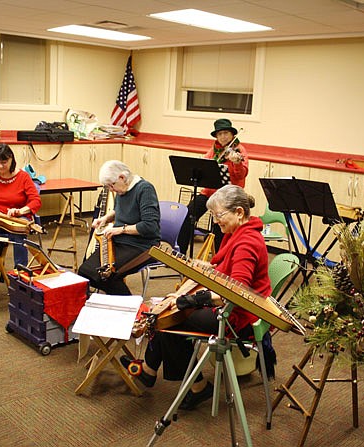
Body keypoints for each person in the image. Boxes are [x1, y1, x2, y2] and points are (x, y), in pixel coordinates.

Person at [122, 185, 273, 410]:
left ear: (239, 212)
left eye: (219, 215)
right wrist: (197, 267)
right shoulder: (239, 233)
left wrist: (192, 300)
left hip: (238, 317)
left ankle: (198, 386)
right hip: (236, 309)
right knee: (169, 313)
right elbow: (224, 269)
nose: (216, 221)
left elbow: (237, 292)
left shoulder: (247, 242)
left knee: (170, 320)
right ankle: (150, 371)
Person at [78, 160, 161, 295]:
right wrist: (105, 219)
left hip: (143, 245)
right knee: (85, 271)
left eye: (112, 185)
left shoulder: (145, 189)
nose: (111, 189)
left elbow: (149, 226)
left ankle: (132, 309)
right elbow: (118, 210)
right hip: (119, 240)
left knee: (107, 276)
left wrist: (121, 229)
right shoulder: (122, 189)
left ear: (122, 177)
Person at [177, 118, 249, 254]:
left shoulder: (239, 150)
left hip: (228, 197)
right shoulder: (215, 150)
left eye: (226, 133)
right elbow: (205, 165)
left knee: (220, 225)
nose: (223, 137)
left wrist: (237, 163)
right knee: (186, 215)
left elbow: (241, 176)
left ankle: (220, 259)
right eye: (220, 134)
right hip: (210, 193)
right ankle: (180, 253)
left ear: (232, 134)